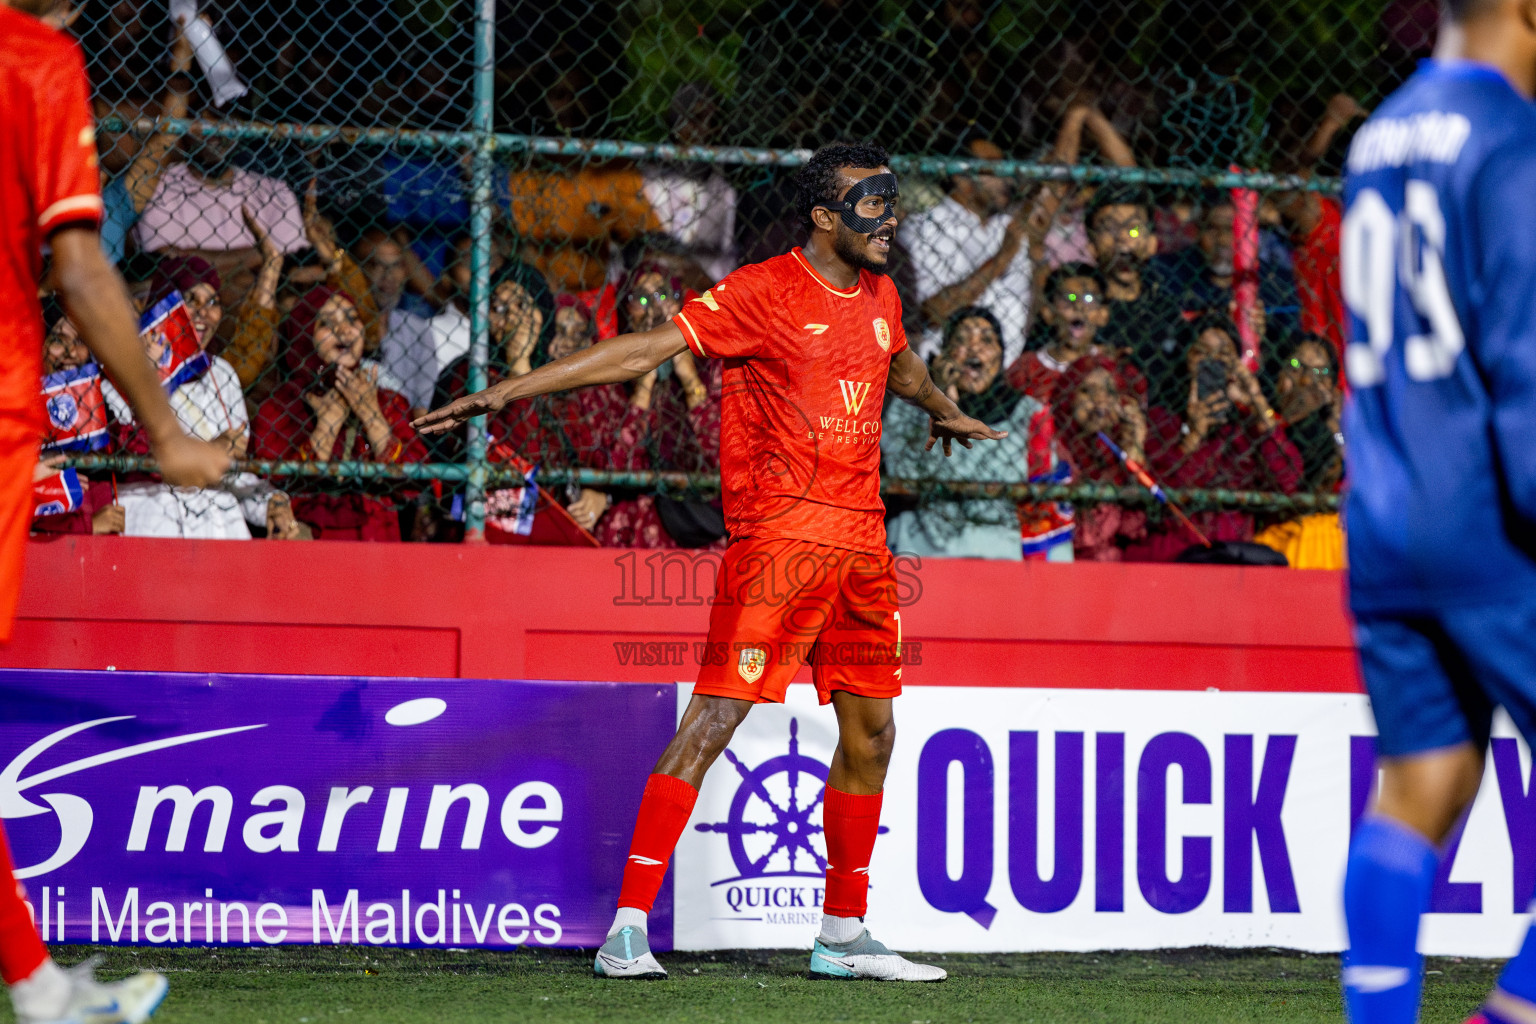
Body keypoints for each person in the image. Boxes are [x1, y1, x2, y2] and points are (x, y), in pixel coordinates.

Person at [417, 140, 1002, 981]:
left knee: (874, 735)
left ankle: (842, 933)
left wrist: (942, 407)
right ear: (824, 216)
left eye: (893, 199)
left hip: (864, 548)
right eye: (872, 203)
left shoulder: (880, 293)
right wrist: (510, 390)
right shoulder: (763, 289)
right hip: (780, 546)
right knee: (714, 721)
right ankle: (626, 930)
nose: (891, 217)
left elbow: (897, 358)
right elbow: (647, 349)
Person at [0, 2, 228, 1021]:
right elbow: (82, 266)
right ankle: (41, 989)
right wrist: (165, 429)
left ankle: (37, 984)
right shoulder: (35, 59)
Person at [1336, 5, 1536, 1021]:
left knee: (1421, 782)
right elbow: (1523, 365)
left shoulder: (1379, 135)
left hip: (1385, 519)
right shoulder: (1513, 140)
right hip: (1491, 517)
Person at [883, 306, 1062, 560]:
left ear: (1001, 357)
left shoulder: (1028, 413)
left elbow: (1045, 503)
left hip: (998, 552)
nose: (974, 348)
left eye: (987, 341)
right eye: (961, 339)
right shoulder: (909, 407)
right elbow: (906, 472)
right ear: (944, 353)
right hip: (921, 549)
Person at [251, 286, 425, 540]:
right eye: (327, 323)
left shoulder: (387, 401)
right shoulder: (281, 406)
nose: (344, 330)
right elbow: (279, 486)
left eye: (352, 320)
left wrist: (371, 415)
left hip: (377, 546)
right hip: (308, 548)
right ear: (304, 334)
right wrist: (327, 426)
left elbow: (413, 483)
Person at [1127, 316, 1302, 561]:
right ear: (1186, 358)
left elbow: (1288, 481)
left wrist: (1258, 404)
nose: (1212, 361)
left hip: (1233, 551)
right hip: (1176, 550)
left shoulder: (1248, 426)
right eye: (1202, 352)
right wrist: (1193, 435)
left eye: (1224, 356)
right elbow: (1160, 499)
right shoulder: (1162, 420)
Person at [1084, 183, 1186, 410]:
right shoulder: (1080, 309)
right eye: (1109, 229)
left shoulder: (1167, 308)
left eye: (1133, 230)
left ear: (1151, 244)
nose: (1122, 237)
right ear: (1091, 246)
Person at [1251, 333, 1345, 569]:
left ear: (1332, 388)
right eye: (1295, 366)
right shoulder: (1255, 423)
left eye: (1320, 373)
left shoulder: (1335, 433)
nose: (1306, 381)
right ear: (1278, 373)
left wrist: (1336, 427)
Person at [1050, 355, 1150, 561]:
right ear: (1069, 397)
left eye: (1110, 392)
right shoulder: (1053, 445)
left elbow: (1135, 527)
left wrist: (1135, 449)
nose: (1100, 400)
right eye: (1088, 391)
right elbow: (1082, 535)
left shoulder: (1119, 446)